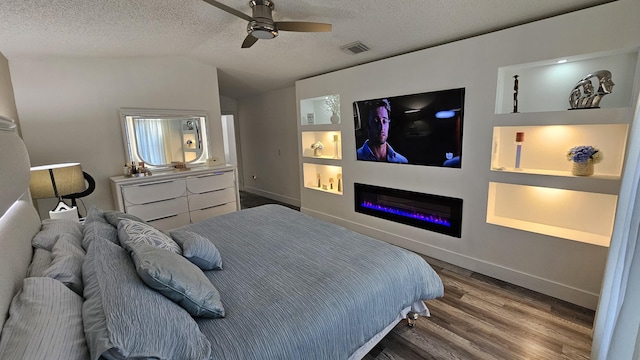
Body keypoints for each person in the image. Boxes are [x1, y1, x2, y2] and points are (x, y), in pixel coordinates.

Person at [356, 99, 408, 163]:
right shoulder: (356, 157)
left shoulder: (401, 161)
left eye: (384, 121)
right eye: (376, 121)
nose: (381, 127)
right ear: (367, 125)